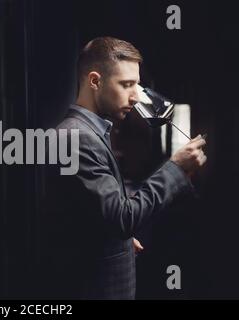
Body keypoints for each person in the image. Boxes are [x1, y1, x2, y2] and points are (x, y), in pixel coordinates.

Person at [41, 37, 206, 299]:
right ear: (95, 81)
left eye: (137, 85)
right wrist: (175, 167)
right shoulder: (75, 138)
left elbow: (81, 216)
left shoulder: (89, 132)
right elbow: (122, 218)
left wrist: (119, 241)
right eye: (126, 85)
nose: (135, 96)